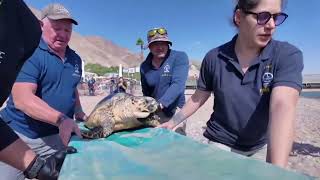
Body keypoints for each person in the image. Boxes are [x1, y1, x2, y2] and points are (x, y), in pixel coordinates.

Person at [159, 0, 303, 168]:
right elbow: (198, 97)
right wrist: (173, 121)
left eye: (276, 17)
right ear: (239, 17)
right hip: (220, 143)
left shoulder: (286, 55)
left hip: (260, 147)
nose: (271, 25)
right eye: (263, 16)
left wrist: (277, 172)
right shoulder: (214, 58)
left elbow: (282, 106)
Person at [0, 3, 87, 179]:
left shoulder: (75, 59)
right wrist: (61, 119)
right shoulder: (29, 53)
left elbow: (72, 87)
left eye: (67, 30)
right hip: (20, 138)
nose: (63, 34)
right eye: (57, 28)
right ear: (41, 25)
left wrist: (79, 112)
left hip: (57, 137)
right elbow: (22, 99)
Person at [140, 27, 189, 135]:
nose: (160, 47)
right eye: (155, 44)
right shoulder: (144, 66)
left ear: (168, 44)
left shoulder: (179, 57)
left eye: (163, 43)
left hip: (176, 110)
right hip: (155, 112)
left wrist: (160, 105)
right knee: (154, 142)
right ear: (149, 47)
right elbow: (146, 92)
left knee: (176, 143)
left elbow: (178, 84)